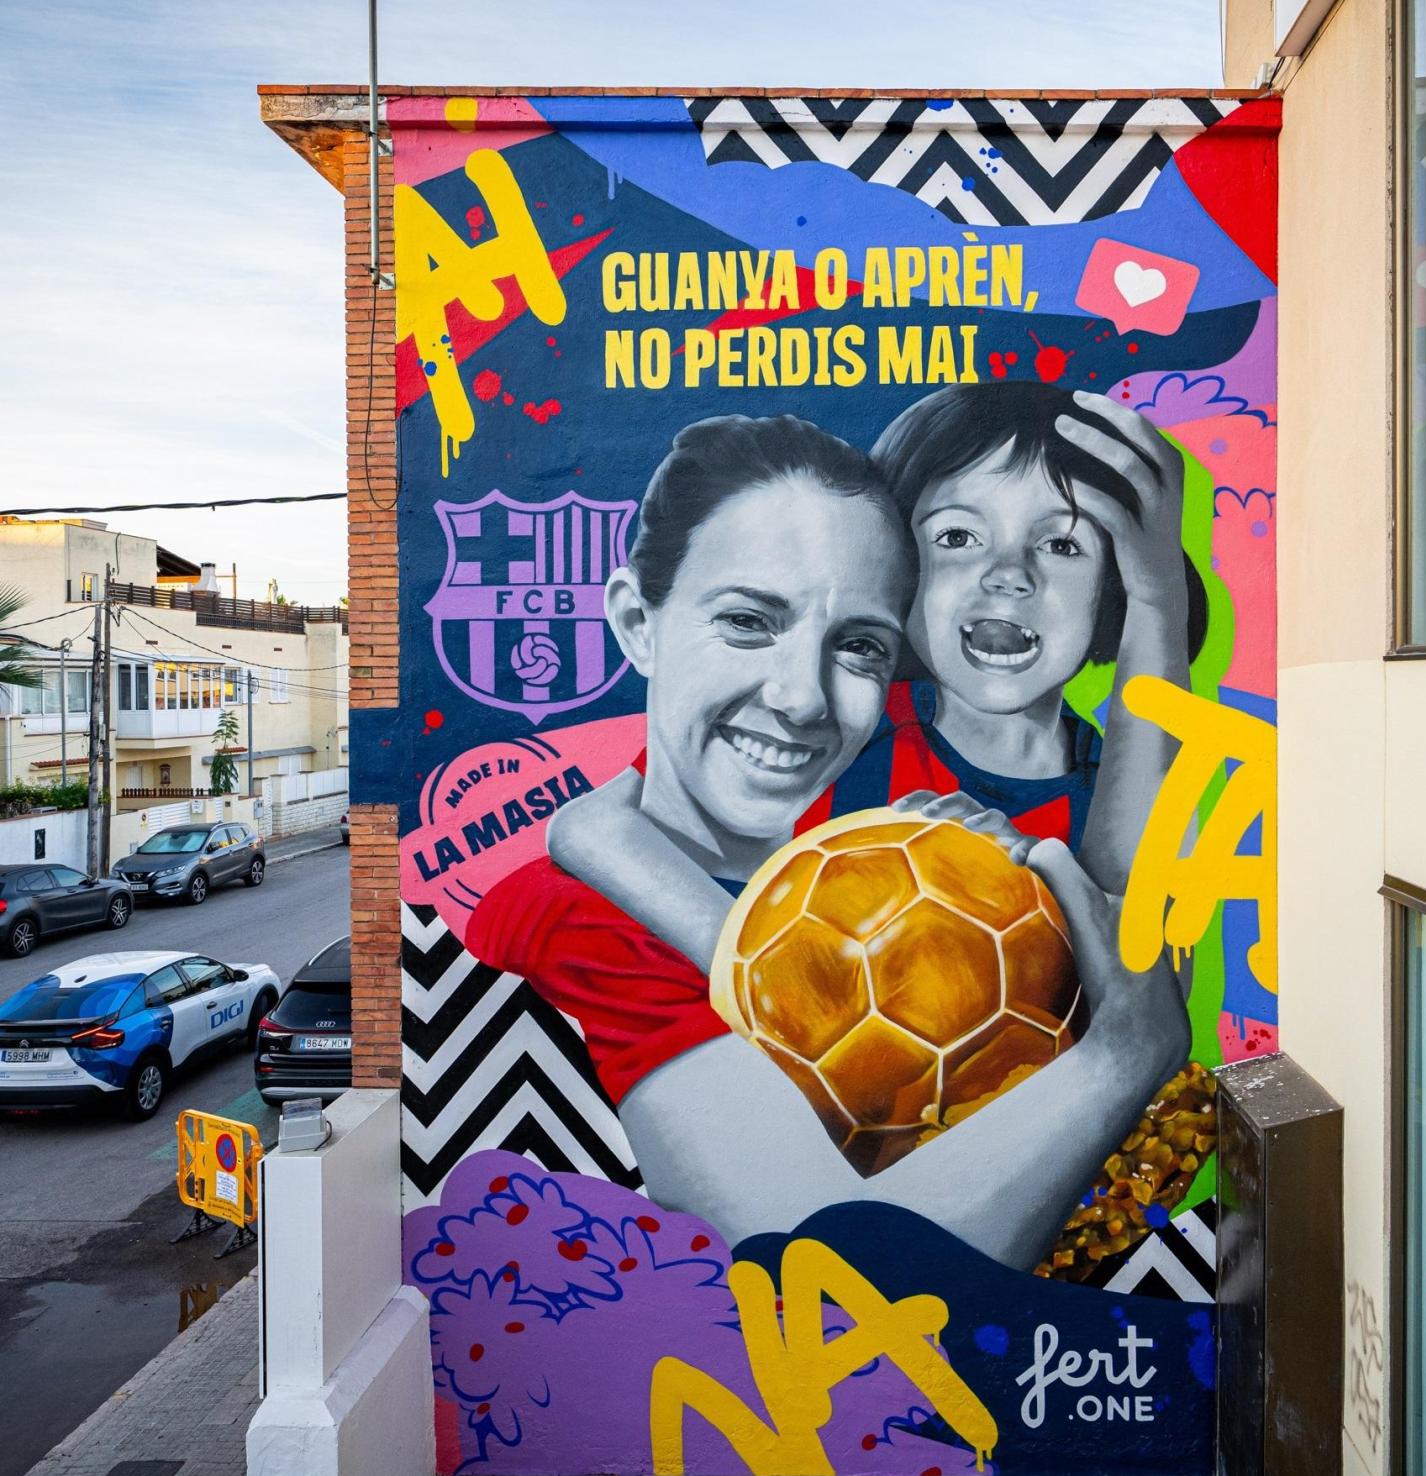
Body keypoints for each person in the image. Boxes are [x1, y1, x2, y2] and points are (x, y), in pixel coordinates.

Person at [466, 414, 1189, 1269]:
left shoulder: (847, 855)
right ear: (636, 621)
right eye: (746, 621)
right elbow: (843, 1280)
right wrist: (1126, 1055)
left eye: (857, 645)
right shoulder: (581, 918)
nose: (803, 699)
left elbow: (1114, 905)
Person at [555, 382, 1205, 971]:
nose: (1010, 573)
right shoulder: (838, 717)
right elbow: (594, 824)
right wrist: (765, 975)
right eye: (957, 536)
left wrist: (1157, 603)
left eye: (1062, 544)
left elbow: (1150, 974)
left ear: (1112, 586)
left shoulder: (1124, 779)